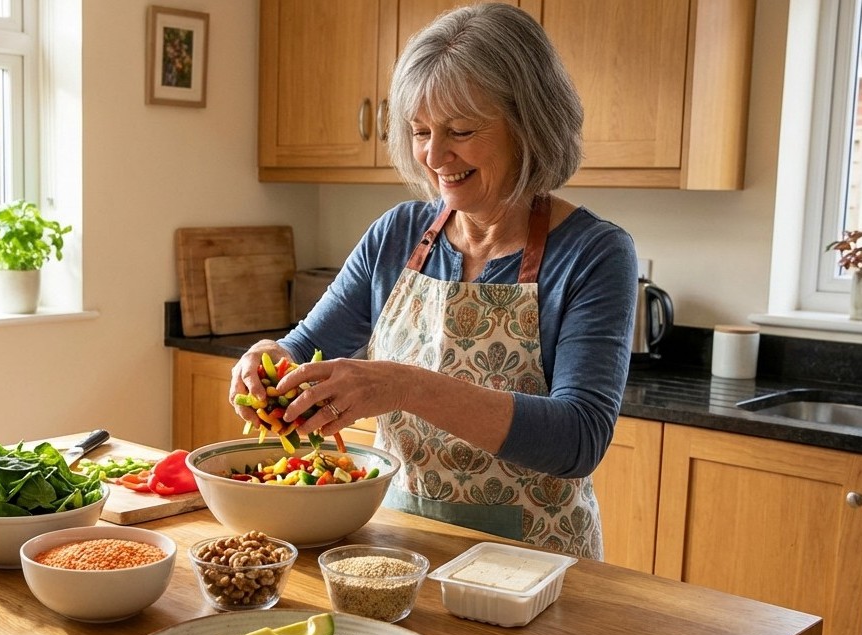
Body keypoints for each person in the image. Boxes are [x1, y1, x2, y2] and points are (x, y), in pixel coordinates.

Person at [227, 3, 638, 560]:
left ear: (529, 125)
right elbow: (303, 349)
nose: (434, 155)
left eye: (461, 131)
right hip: (397, 547)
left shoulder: (594, 252)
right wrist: (264, 359)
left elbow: (578, 439)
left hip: (532, 566)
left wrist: (406, 386)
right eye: (420, 131)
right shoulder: (397, 234)